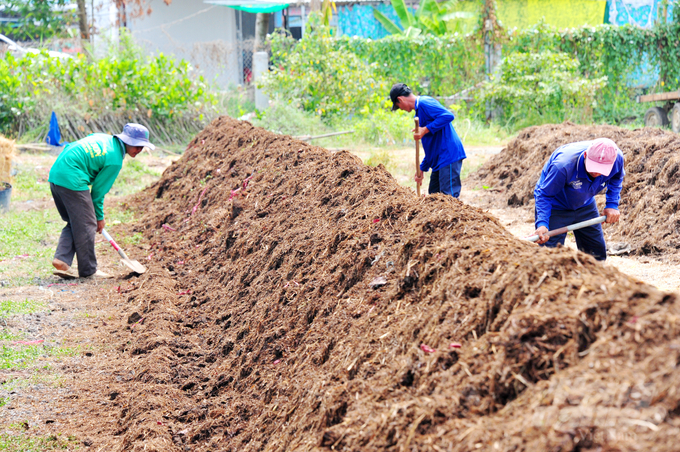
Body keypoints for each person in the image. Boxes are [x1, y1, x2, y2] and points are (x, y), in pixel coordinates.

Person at [48, 123, 155, 279]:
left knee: (76, 221)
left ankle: (61, 259)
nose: (139, 150)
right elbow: (98, 193)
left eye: (142, 146)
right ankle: (89, 271)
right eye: (136, 145)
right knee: (88, 223)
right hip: (73, 178)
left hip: (56, 175)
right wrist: (99, 218)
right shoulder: (115, 160)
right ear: (126, 140)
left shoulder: (103, 138)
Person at [532, 138, 625, 261]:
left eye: (601, 170)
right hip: (556, 206)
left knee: (595, 254)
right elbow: (545, 195)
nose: (596, 173)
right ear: (586, 155)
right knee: (549, 257)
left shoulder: (616, 158)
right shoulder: (563, 166)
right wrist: (542, 223)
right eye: (593, 167)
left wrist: (612, 205)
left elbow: (616, 178)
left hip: (585, 204)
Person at [390, 83, 467, 197]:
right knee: (433, 198)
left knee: (449, 199)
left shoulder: (424, 103)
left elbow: (448, 116)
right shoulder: (419, 112)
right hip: (439, 158)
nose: (400, 109)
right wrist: (422, 167)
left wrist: (425, 130)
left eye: (398, 106)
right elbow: (433, 144)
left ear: (400, 99)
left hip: (448, 155)